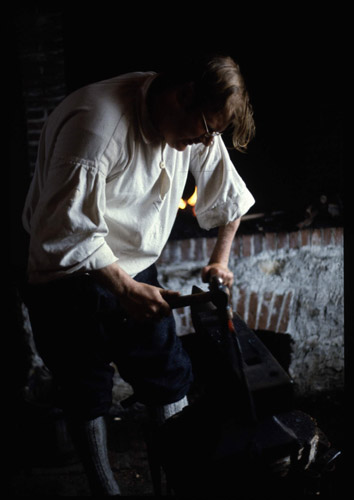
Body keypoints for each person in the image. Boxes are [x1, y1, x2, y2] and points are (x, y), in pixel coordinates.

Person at [22, 53, 256, 496]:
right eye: (206, 130)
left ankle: (181, 480)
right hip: (63, 275)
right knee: (84, 390)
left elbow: (231, 199)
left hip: (133, 266)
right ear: (182, 95)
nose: (206, 143)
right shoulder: (96, 126)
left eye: (214, 134)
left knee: (167, 373)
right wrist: (123, 289)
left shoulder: (196, 127)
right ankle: (104, 488)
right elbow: (63, 231)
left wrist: (220, 260)